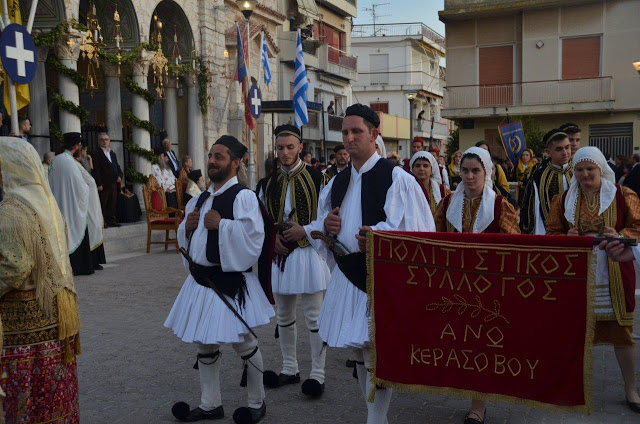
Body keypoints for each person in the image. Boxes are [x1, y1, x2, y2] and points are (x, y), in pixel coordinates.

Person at [304, 104, 434, 423]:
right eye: (345, 132)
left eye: (356, 131)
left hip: (381, 278)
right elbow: (326, 220)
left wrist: (378, 236)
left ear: (374, 134)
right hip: (349, 276)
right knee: (361, 352)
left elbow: (419, 231)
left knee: (376, 352)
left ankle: (376, 419)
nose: (349, 138)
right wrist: (325, 227)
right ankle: (374, 415)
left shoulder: (396, 178)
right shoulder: (337, 180)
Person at [165, 135, 274, 423]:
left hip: (229, 283)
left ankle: (256, 402)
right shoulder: (200, 197)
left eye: (220, 156)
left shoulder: (244, 197)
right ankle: (210, 404)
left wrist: (222, 225)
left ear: (236, 163)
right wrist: (186, 230)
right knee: (205, 344)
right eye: (211, 155)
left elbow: (254, 239)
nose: (212, 161)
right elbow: (191, 242)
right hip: (202, 283)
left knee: (244, 341)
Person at [546, 146, 640, 414]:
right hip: (577, 275)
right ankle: (568, 389)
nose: (585, 174)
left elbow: (639, 225)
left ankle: (631, 388)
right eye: (579, 169)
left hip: (613, 270)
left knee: (621, 333)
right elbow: (551, 234)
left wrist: (620, 233)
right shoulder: (564, 199)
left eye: (590, 169)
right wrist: (567, 239)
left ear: (600, 169)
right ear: (573, 172)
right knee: (572, 334)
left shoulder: (622, 195)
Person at [433, 147, 520, 424]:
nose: (470, 177)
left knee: (481, 344)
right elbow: (430, 239)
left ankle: (478, 406)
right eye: (465, 171)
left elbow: (515, 245)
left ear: (487, 173)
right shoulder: (447, 204)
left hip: (487, 287)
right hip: (453, 283)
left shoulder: (499, 206)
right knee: (458, 341)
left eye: (476, 171)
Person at [0, 137, 82, 423]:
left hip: (23, 320)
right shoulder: (46, 200)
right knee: (52, 387)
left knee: (26, 393)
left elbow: (15, 268)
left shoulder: (11, 210)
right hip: (55, 312)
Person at [259, 124, 330, 398]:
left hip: (310, 251)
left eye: (290, 147)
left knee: (314, 315)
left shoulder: (318, 178)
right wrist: (271, 241)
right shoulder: (268, 182)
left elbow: (327, 215)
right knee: (284, 315)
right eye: (280, 148)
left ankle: (318, 374)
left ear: (300, 147)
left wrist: (307, 231)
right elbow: (263, 220)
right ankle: (290, 368)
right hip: (281, 257)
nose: (285, 152)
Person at [48, 132, 95, 276]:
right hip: (72, 205)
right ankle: (81, 266)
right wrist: (87, 187)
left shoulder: (56, 160)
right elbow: (80, 186)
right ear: (76, 146)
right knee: (76, 230)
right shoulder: (69, 161)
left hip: (58, 203)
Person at [519, 129, 572, 234]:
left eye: (567, 147)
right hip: (549, 233)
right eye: (559, 149)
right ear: (548, 152)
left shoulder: (579, 170)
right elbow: (533, 210)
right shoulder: (539, 176)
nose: (565, 153)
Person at [74, 147, 106, 271]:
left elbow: (91, 175)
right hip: (85, 202)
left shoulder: (83, 162)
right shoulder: (75, 164)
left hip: (92, 201)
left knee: (96, 225)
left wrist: (90, 163)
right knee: (92, 226)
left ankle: (97, 259)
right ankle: (92, 260)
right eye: (82, 150)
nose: (84, 153)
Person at [92, 132, 123, 228]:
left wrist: (120, 176)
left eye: (106, 139)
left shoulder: (112, 153)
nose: (104, 141)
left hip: (114, 182)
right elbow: (95, 169)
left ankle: (112, 220)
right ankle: (103, 221)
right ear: (98, 141)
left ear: (109, 141)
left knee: (112, 202)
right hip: (104, 183)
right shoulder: (95, 153)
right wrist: (98, 183)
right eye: (102, 139)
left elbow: (117, 166)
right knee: (103, 203)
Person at [411, 150, 451, 216]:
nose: (421, 169)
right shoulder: (406, 188)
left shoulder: (442, 190)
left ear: (432, 169)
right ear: (412, 169)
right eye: (417, 166)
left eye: (425, 166)